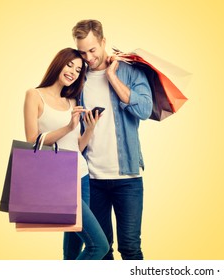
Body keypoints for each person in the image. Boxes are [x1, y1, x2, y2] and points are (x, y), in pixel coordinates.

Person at [72, 19, 152, 260]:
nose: (87, 57)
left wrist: (112, 77)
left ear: (103, 41)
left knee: (130, 248)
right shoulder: (78, 78)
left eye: (92, 50)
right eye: (82, 52)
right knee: (102, 249)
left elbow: (145, 110)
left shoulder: (128, 70)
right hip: (92, 179)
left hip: (127, 178)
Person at [23, 47, 109, 260]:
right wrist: (69, 127)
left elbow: (75, 147)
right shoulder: (34, 95)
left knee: (72, 251)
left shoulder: (72, 101)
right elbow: (32, 141)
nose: (73, 71)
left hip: (81, 175)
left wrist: (89, 129)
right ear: (58, 63)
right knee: (99, 246)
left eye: (79, 70)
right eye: (69, 65)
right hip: (58, 181)